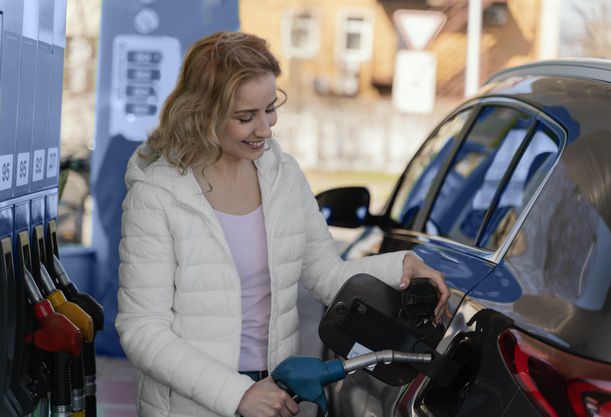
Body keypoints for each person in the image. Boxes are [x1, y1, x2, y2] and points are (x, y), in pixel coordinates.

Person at [116, 31, 450, 417]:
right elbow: (143, 329)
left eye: (270, 109)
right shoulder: (157, 193)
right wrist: (238, 393)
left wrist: (400, 265)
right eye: (246, 117)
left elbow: (325, 273)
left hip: (275, 392)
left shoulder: (282, 174)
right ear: (202, 113)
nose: (265, 129)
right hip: (190, 404)